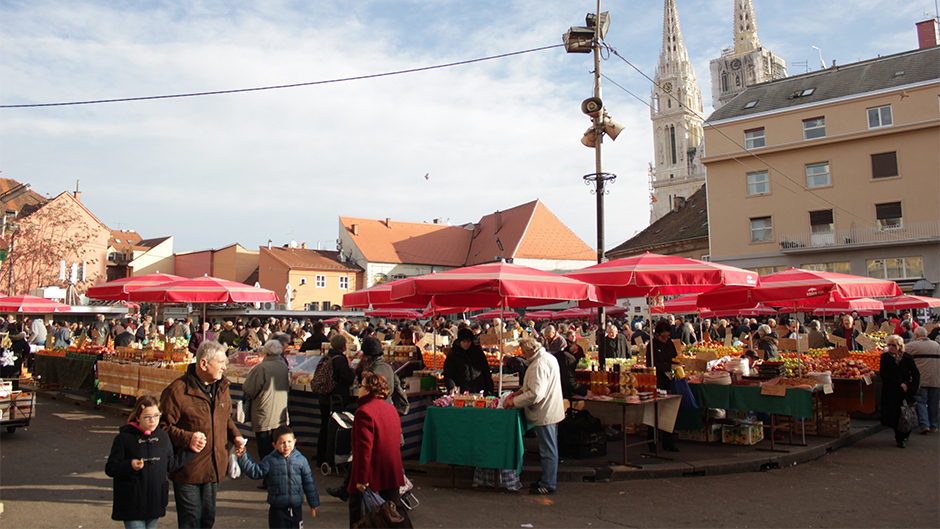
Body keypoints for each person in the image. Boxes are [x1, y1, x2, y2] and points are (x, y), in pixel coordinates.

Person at [159, 342, 244, 529]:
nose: (225, 367)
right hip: (188, 468)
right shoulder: (177, 391)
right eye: (221, 362)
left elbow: (225, 418)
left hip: (214, 467)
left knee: (207, 519)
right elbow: (162, 427)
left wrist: (235, 436)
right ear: (204, 364)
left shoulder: (222, 387)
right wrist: (188, 438)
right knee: (191, 521)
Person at [106, 395, 200, 529]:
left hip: (154, 500)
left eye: (156, 416)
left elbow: (170, 464)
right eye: (147, 417)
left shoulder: (162, 436)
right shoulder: (124, 438)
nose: (153, 421)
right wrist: (130, 465)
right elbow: (111, 467)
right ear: (138, 417)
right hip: (132, 502)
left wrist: (191, 451)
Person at [346, 372, 409, 528]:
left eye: (361, 386)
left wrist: (361, 478)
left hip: (373, 474)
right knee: (394, 512)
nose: (358, 389)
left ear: (368, 389)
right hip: (391, 471)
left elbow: (364, 449)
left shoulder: (364, 412)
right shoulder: (390, 409)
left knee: (361, 517)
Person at [506, 338, 564, 495]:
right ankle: (546, 479)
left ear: (531, 350)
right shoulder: (548, 358)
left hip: (545, 411)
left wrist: (515, 402)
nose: (523, 356)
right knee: (549, 448)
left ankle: (548, 483)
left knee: (548, 449)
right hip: (550, 409)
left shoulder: (538, 364)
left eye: (524, 352)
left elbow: (536, 393)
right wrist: (520, 391)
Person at [236, 426, 319, 529]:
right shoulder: (270, 460)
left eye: (289, 441)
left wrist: (313, 502)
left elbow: (309, 483)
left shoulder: (301, 461)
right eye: (282, 443)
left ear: (294, 442)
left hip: (296, 508)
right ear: (274, 445)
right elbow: (255, 472)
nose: (286, 445)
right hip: (277, 509)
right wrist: (243, 456)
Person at [242, 340, 291, 490]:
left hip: (264, 412)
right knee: (278, 447)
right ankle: (281, 477)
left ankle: (269, 479)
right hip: (281, 412)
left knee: (264, 449)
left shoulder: (261, 368)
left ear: (266, 352)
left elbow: (249, 389)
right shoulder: (283, 366)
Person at [316, 334, 356, 468]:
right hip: (336, 398)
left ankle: (321, 458)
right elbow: (347, 378)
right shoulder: (340, 359)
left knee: (324, 426)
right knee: (335, 427)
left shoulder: (326, 356)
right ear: (343, 346)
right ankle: (333, 457)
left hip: (324, 397)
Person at [880, 335, 921, 448]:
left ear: (900, 346)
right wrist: (899, 384)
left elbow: (915, 374)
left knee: (908, 413)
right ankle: (899, 437)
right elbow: (884, 374)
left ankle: (906, 432)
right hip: (892, 390)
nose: (891, 347)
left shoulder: (907, 357)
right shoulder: (885, 357)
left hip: (906, 390)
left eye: (893, 345)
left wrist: (911, 387)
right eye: (889, 345)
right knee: (895, 415)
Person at [646, 320, 679, 452]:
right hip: (657, 382)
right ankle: (652, 442)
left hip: (669, 381)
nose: (666, 339)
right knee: (654, 413)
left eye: (668, 336)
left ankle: (668, 442)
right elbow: (651, 365)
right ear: (657, 334)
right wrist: (668, 366)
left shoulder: (670, 344)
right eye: (663, 336)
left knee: (669, 412)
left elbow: (675, 357)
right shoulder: (652, 345)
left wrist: (678, 363)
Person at [907, 327, 939, 434]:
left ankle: (924, 424)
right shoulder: (936, 345)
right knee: (933, 403)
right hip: (936, 379)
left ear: (916, 335)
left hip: (921, 379)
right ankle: (934, 426)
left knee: (921, 401)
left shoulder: (912, 345)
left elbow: (900, 351)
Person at [442, 328, 494, 395]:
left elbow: (486, 371)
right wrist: (451, 388)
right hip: (461, 392)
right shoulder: (453, 354)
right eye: (464, 342)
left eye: (469, 342)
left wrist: (489, 388)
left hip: (479, 391)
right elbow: (448, 374)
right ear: (459, 341)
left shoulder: (478, 353)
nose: (466, 344)